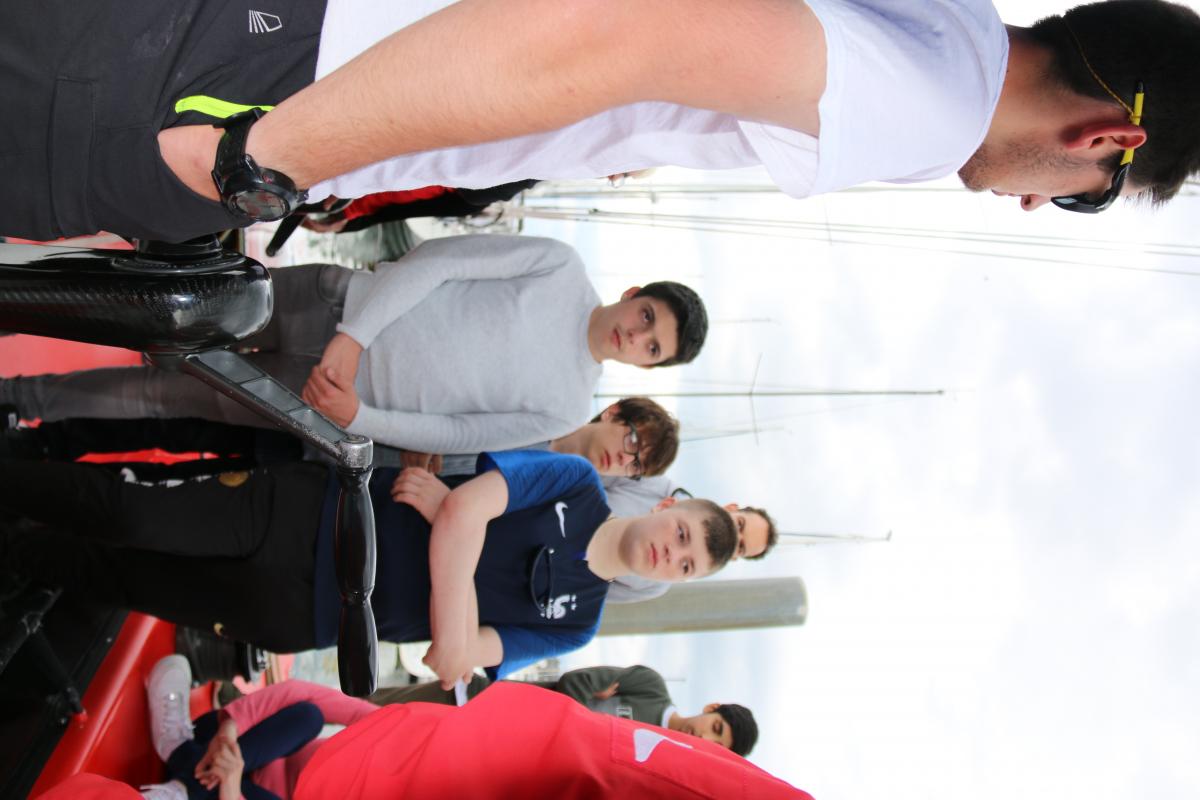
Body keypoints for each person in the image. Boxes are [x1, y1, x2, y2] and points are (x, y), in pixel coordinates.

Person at [5, 1, 1199, 244]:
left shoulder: (943, 23)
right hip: (268, 75)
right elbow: (614, 29)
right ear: (1110, 137)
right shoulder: (933, 106)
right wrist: (258, 167)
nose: (1040, 200)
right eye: (1087, 198)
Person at [0, 450, 737, 681]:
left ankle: (14, 549)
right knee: (130, 517)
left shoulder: (577, 627)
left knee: (124, 580)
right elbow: (466, 513)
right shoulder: (574, 482)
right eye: (681, 533)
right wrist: (457, 529)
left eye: (685, 564)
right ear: (667, 504)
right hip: (309, 516)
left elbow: (453, 660)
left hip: (305, 616)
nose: (670, 552)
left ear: (675, 581)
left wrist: (457, 528)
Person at [0, 234, 709, 454]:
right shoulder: (560, 265)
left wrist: (358, 420)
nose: (636, 335)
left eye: (652, 348)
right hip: (332, 303)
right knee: (165, 306)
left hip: (329, 402)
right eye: (647, 316)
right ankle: (22, 300)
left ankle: (18, 398)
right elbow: (440, 261)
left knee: (163, 397)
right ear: (634, 293)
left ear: (648, 367)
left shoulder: (567, 409)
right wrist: (354, 335)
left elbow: (462, 434)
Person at [39, 683, 814, 800]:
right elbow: (305, 703)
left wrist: (237, 785)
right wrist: (233, 729)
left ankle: (179, 765)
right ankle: (182, 758)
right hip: (243, 765)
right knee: (305, 719)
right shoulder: (388, 726)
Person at [370, 663, 759, 756]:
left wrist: (582, 715)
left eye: (714, 745)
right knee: (364, 709)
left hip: (485, 752)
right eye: (716, 727)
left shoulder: (648, 755)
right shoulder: (651, 686)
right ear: (712, 708)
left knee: (374, 754)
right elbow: (575, 682)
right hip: (479, 701)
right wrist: (582, 730)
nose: (703, 736)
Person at [138, 655, 379, 800]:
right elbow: (301, 692)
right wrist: (230, 730)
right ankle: (178, 752)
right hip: (219, 746)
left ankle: (179, 760)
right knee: (309, 716)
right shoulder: (395, 735)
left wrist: (231, 792)